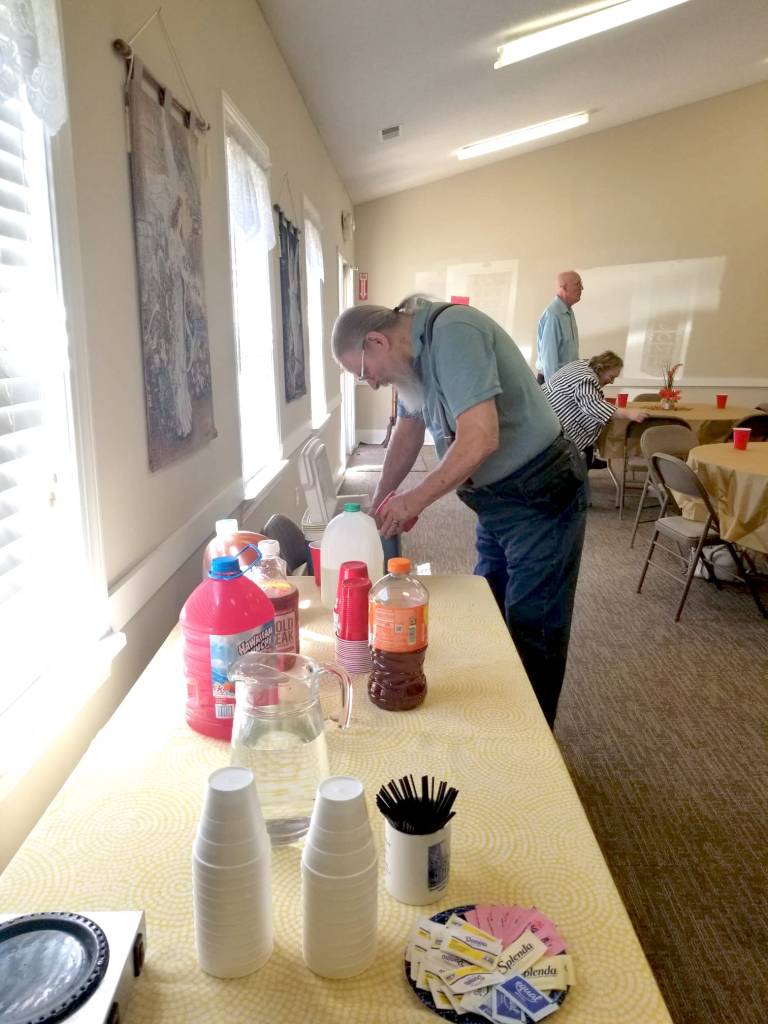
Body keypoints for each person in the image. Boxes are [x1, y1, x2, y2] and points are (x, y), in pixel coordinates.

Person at [331, 296, 588, 728]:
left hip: (540, 496)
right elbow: (408, 429)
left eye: (363, 372)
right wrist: (383, 499)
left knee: (534, 627)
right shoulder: (412, 362)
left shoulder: (454, 334)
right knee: (488, 610)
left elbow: (480, 437)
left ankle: (530, 743)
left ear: (376, 341)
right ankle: (498, 721)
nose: (371, 384)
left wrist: (417, 499)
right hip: (495, 502)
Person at [544, 352, 648, 467]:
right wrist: (629, 414)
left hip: (547, 411)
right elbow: (593, 406)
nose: (612, 382)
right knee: (577, 459)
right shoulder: (586, 379)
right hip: (556, 420)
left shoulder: (582, 364)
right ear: (601, 369)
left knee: (585, 452)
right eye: (611, 377)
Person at [536, 271, 583, 385]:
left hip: (564, 382)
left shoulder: (568, 312)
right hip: (553, 383)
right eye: (578, 284)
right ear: (564, 287)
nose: (582, 288)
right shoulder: (553, 314)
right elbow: (549, 360)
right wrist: (554, 389)